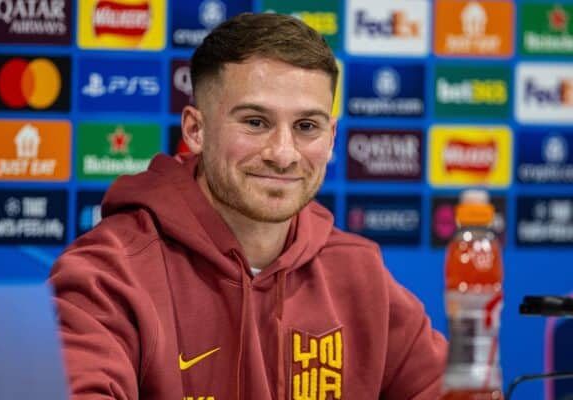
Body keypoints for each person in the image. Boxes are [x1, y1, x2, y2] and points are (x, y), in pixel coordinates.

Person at [49, 12, 447, 400]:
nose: (283, 153)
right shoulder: (108, 275)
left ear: (331, 138)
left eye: (307, 126)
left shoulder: (359, 273)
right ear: (195, 130)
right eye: (256, 122)